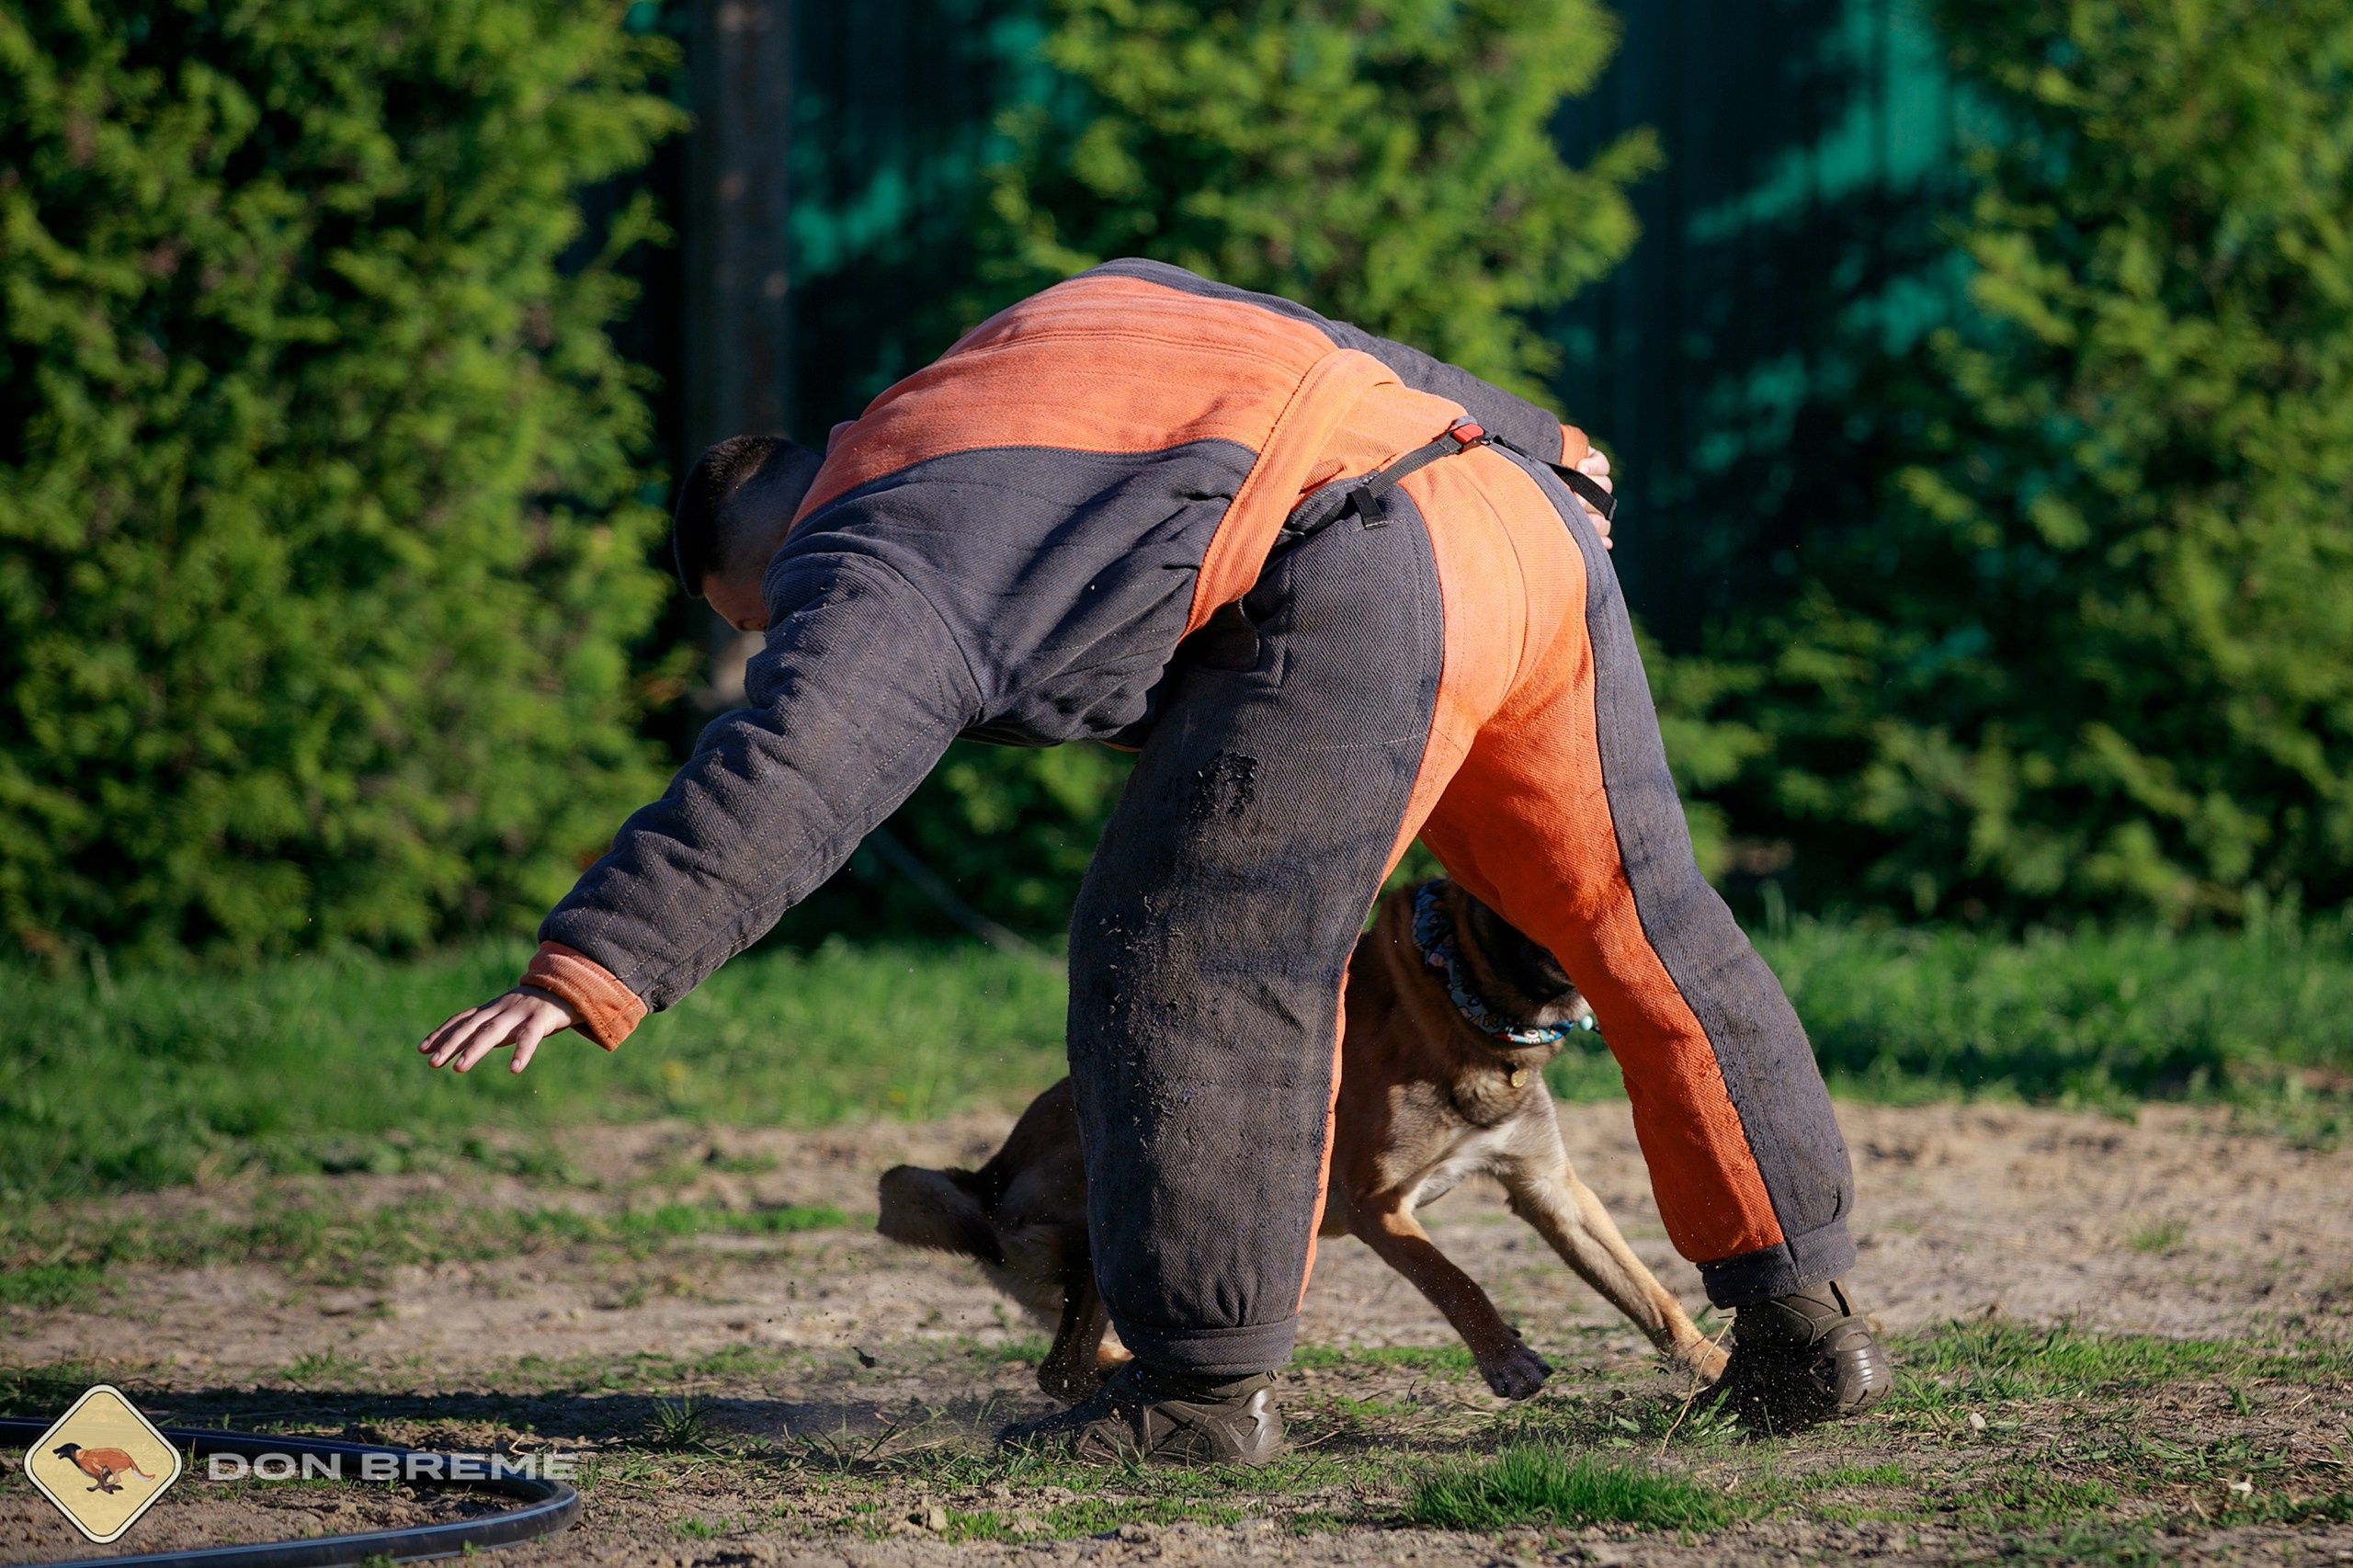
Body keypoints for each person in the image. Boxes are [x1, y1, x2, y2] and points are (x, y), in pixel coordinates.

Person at [417, 259, 1891, 1464]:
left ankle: (1196, 1394)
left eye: (758, 621)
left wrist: (600, 955)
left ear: (762, 559)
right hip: (1517, 519)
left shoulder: (862, 542)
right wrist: (1541, 440)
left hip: (1363, 568)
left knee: (1193, 955)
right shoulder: (1045, 327)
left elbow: (796, 753)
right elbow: (1322, 342)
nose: (779, 634)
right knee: (1638, 915)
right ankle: (1804, 1322)